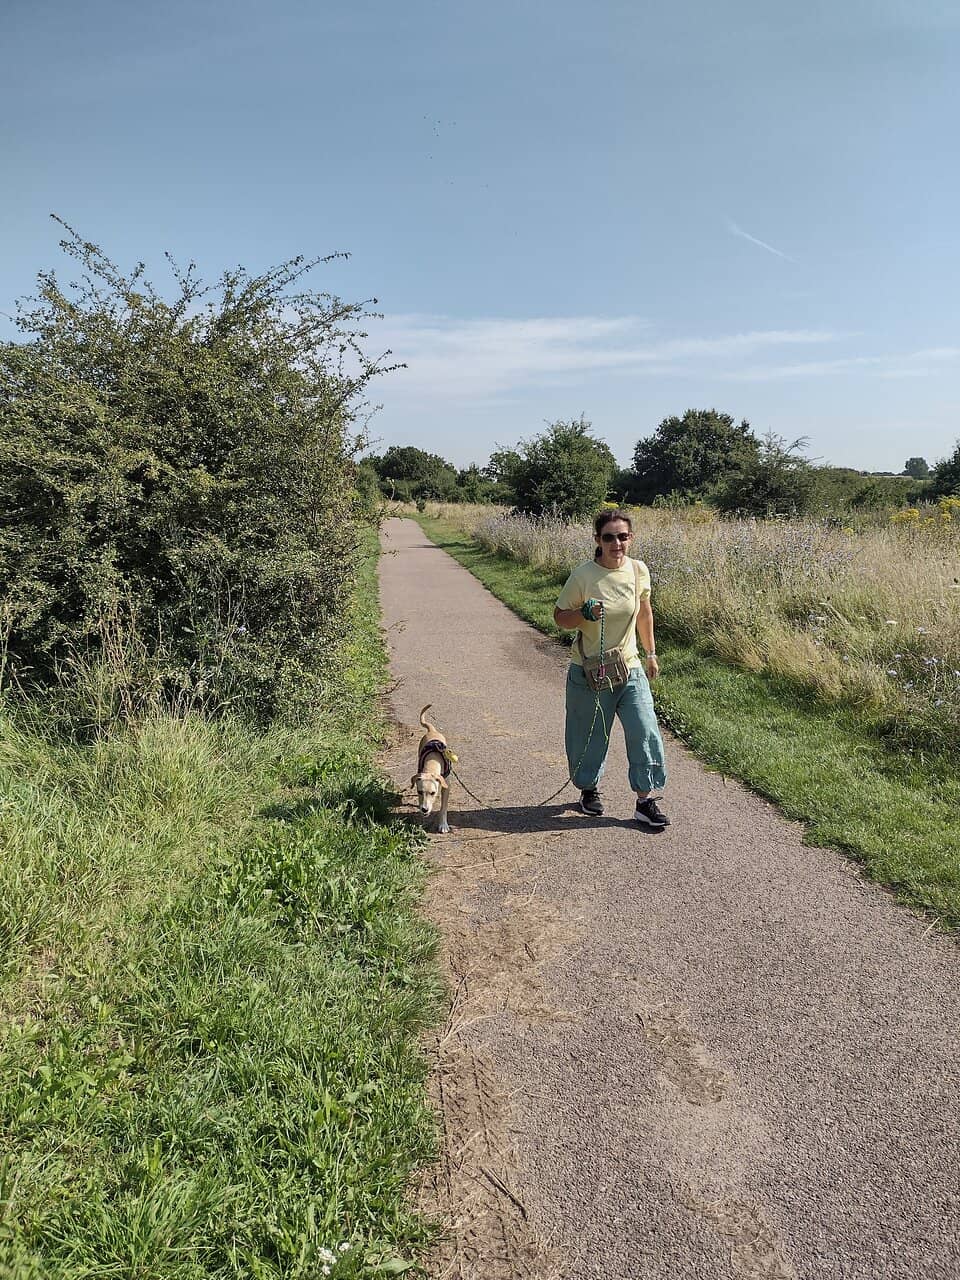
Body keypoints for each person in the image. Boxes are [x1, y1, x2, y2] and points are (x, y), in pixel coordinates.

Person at [553, 509, 669, 828]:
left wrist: (651, 653)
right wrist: (583, 614)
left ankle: (645, 801)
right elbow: (560, 617)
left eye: (622, 536)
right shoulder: (584, 576)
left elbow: (645, 613)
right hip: (589, 672)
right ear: (597, 540)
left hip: (628, 668)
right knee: (588, 738)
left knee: (644, 729)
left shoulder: (638, 571)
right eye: (609, 537)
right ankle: (588, 789)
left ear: (631, 538)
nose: (616, 543)